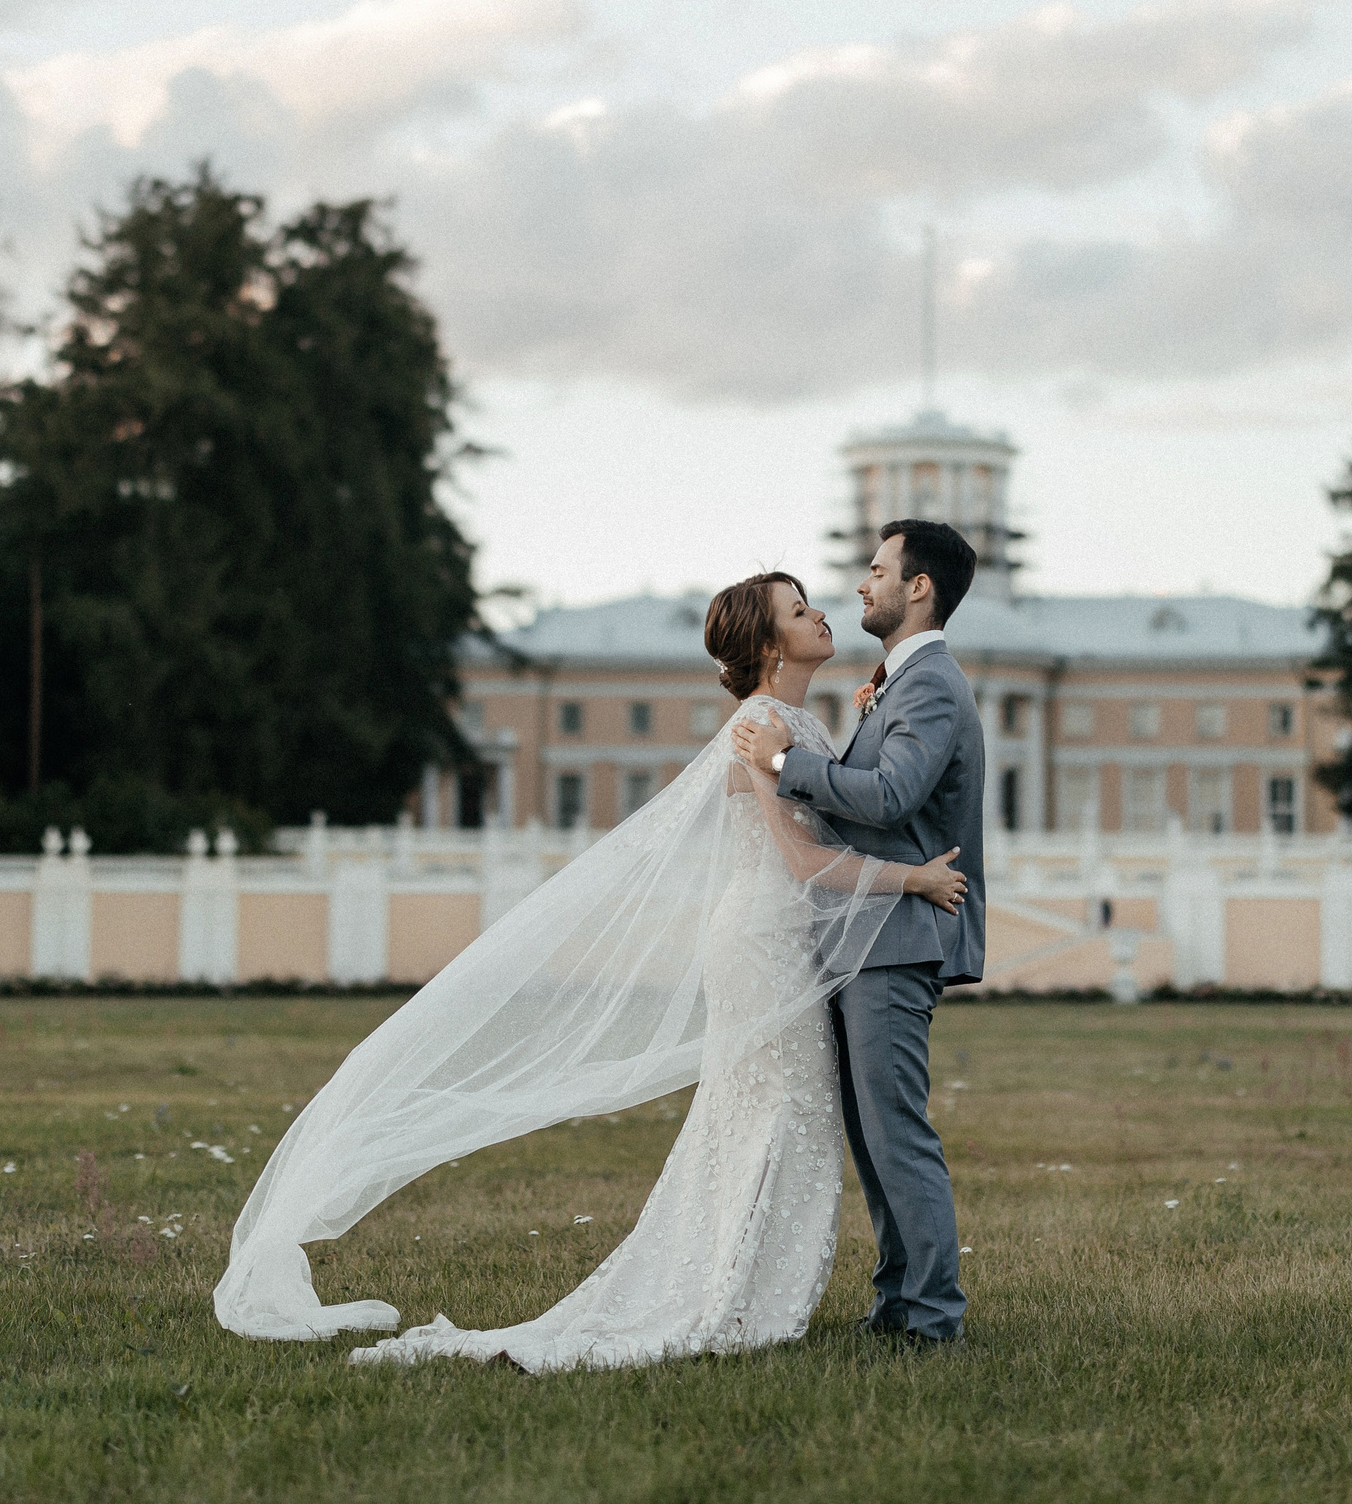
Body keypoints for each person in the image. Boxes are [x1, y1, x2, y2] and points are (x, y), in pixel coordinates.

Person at [214, 571, 967, 1371]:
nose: (820, 612)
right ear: (769, 643)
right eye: (798, 608)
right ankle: (729, 1295)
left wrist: (862, 721)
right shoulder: (759, 725)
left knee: (772, 1113)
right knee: (779, 1111)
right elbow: (802, 856)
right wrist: (912, 878)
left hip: (779, 938)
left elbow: (835, 800)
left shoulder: (793, 722)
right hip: (764, 941)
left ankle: (743, 1286)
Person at [729, 517, 987, 1346]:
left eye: (877, 570)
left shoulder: (931, 683)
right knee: (874, 1140)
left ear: (919, 587)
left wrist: (784, 762)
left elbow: (887, 799)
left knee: (896, 1132)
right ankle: (897, 1301)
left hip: (896, 935)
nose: (861, 584)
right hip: (865, 934)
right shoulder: (896, 684)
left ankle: (933, 1315)